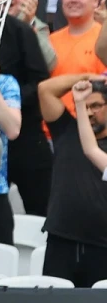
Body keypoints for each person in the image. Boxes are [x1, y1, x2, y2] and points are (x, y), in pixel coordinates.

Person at [38, 74, 107, 287]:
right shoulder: (68, 130)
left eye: (95, 106)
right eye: (83, 108)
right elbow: (45, 90)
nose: (88, 113)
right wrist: (87, 77)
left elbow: (91, 150)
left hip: (102, 245)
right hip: (61, 240)